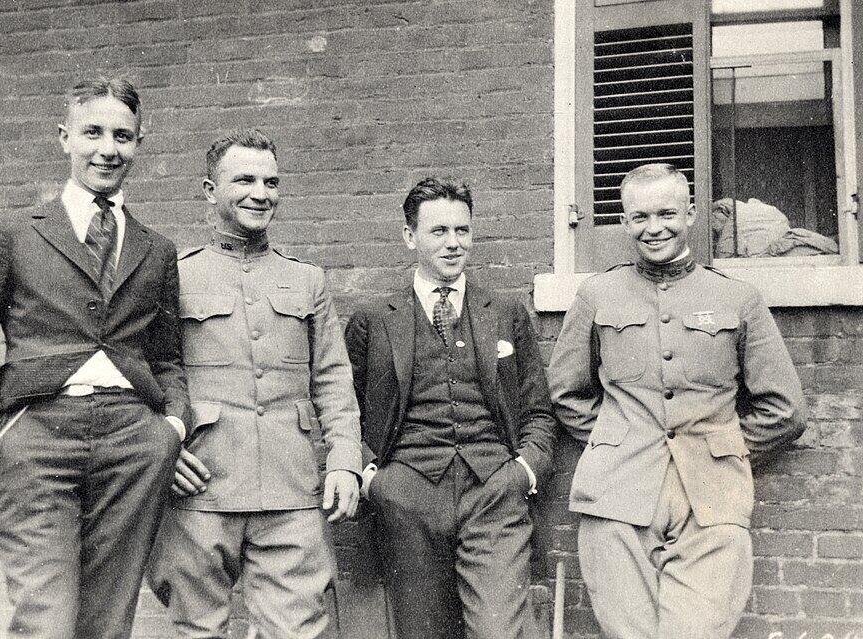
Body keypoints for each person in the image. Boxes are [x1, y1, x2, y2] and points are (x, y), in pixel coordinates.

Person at [0, 77, 188, 639]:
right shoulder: (14, 236)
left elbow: (166, 357)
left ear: (139, 143)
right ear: (64, 138)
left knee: (108, 620)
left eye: (123, 136)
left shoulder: (156, 249)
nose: (107, 149)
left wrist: (169, 425)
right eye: (92, 132)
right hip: (37, 438)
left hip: (133, 442)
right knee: (44, 619)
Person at [548, 163, 807, 639]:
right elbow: (565, 392)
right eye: (639, 217)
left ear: (690, 214)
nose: (654, 228)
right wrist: (615, 438)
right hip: (617, 494)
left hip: (711, 497)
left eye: (666, 213)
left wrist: (722, 445)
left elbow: (784, 410)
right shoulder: (598, 294)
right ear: (625, 222)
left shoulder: (737, 297)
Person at [147, 129, 362, 639]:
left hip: (291, 489)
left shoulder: (307, 280)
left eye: (271, 181)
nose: (260, 193)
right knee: (196, 628)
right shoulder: (172, 278)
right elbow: (148, 374)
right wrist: (164, 449)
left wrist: (345, 462)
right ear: (208, 189)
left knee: (296, 630)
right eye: (244, 179)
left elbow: (333, 377)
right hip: (201, 483)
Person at [344, 177, 556, 639]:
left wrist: (523, 472)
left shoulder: (505, 312)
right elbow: (345, 413)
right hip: (408, 495)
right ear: (410, 237)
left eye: (462, 230)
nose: (454, 243)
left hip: (493, 492)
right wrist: (373, 479)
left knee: (500, 629)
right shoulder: (375, 320)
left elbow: (539, 409)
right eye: (439, 231)